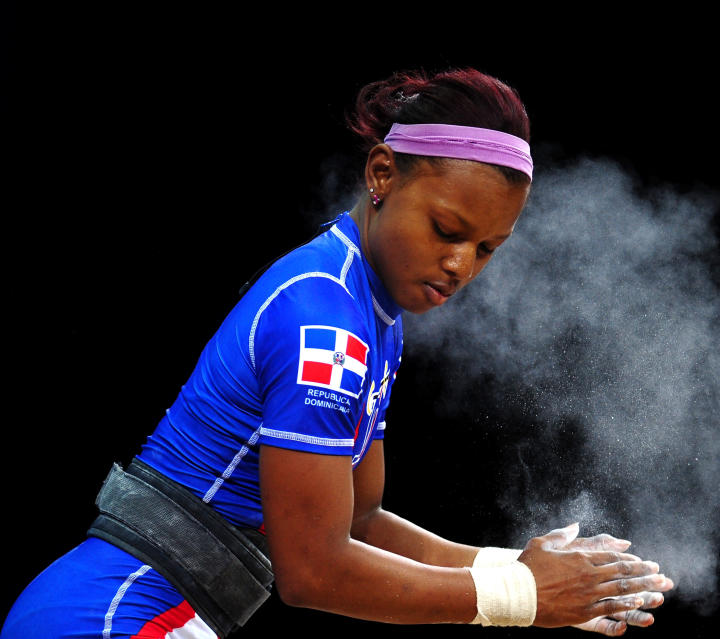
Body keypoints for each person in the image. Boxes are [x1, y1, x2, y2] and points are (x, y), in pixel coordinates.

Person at [2, 68, 674, 639]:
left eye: (487, 248)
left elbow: (360, 520)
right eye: (447, 229)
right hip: (108, 615)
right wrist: (522, 598)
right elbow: (315, 570)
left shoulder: (371, 313)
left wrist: (516, 569)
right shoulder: (327, 323)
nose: (460, 263)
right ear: (383, 172)